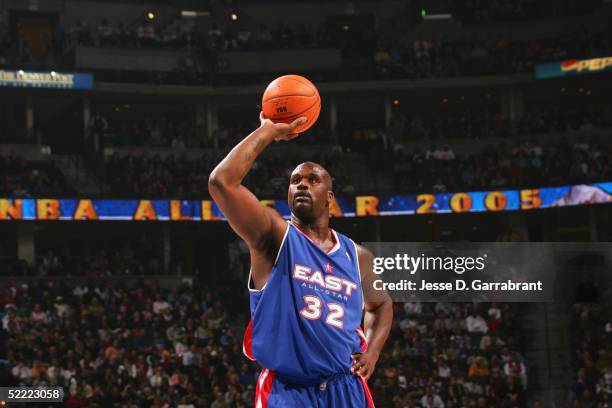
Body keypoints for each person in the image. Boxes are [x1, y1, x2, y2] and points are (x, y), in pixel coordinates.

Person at [209, 113, 393, 407]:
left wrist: (372, 352)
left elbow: (381, 306)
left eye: (312, 179)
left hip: (345, 386)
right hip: (289, 391)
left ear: (329, 197)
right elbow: (221, 182)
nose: (302, 184)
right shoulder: (274, 237)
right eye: (295, 181)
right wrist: (267, 131)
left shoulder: (356, 255)